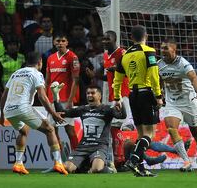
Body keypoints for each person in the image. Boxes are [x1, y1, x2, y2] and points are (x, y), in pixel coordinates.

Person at [0, 51, 68, 175]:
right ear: (40, 62)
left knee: (23, 131)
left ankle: (18, 163)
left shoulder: (16, 73)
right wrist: (53, 113)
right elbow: (42, 96)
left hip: (9, 110)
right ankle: (58, 163)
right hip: (23, 107)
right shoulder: (36, 73)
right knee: (50, 129)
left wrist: (2, 115)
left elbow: (4, 95)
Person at [113, 25, 163, 177]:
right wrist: (159, 95)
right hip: (146, 93)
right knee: (150, 133)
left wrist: (117, 97)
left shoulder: (125, 55)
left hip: (133, 95)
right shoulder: (149, 51)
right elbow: (154, 75)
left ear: (131, 38)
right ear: (146, 36)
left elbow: (117, 79)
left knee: (141, 134)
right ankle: (133, 160)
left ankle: (140, 169)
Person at [50, 83, 126, 174]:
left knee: (96, 169)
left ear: (100, 96)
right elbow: (62, 113)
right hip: (83, 147)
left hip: (99, 147)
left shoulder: (107, 109)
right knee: (66, 168)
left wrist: (120, 100)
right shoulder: (82, 109)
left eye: (93, 93)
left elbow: (122, 116)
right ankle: (83, 165)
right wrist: (55, 96)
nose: (89, 95)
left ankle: (110, 168)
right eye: (88, 93)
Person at [157, 39, 197, 171]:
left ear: (174, 49)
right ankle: (186, 161)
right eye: (162, 48)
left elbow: (193, 77)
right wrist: (159, 95)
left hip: (189, 102)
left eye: (166, 48)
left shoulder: (183, 63)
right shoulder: (159, 65)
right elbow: (159, 81)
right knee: (171, 128)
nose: (163, 50)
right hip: (172, 103)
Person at [102, 30, 132, 169]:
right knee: (116, 127)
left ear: (115, 39)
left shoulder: (122, 53)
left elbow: (129, 70)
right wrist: (95, 76)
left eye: (108, 39)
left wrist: (116, 68)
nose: (105, 41)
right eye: (104, 39)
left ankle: (121, 160)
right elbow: (108, 75)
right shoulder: (106, 55)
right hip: (113, 95)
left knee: (118, 126)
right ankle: (120, 160)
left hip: (123, 93)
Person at [45, 34, 80, 152]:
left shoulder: (72, 57)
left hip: (66, 100)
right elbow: (47, 80)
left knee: (69, 129)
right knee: (52, 129)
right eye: (58, 41)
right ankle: (58, 159)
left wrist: (71, 100)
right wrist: (45, 97)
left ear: (67, 42)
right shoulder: (50, 58)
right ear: (54, 42)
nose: (60, 43)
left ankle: (77, 158)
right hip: (52, 99)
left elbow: (76, 80)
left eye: (63, 41)